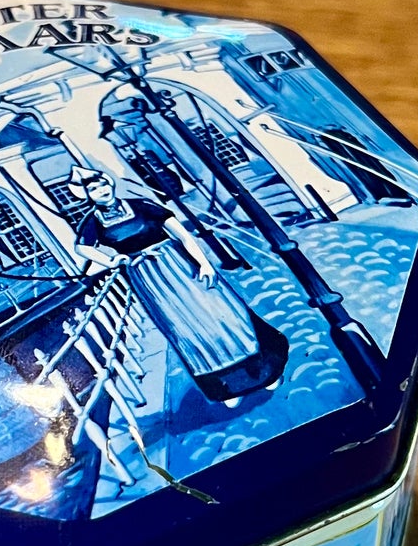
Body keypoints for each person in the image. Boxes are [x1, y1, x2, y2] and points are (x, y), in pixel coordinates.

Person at [70, 166, 287, 404]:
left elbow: (183, 236)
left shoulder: (141, 206)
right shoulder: (93, 222)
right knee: (186, 328)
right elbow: (81, 247)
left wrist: (204, 264)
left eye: (102, 184)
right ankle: (227, 387)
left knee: (223, 315)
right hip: (149, 278)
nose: (101, 190)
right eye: (93, 189)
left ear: (110, 183)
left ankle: (267, 371)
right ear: (87, 195)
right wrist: (112, 260)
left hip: (180, 265)